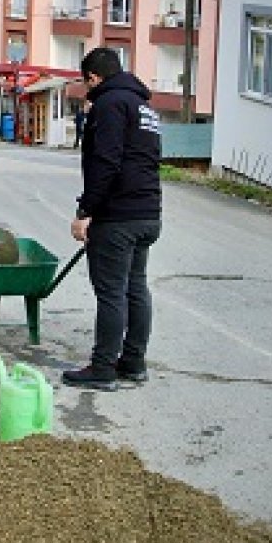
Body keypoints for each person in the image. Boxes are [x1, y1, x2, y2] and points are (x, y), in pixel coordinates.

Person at [62, 46, 162, 390]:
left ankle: (103, 367)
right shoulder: (144, 106)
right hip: (147, 213)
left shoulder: (108, 104)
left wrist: (86, 211)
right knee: (135, 287)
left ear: (93, 77)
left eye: (87, 83)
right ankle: (133, 362)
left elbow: (105, 162)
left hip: (117, 217)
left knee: (111, 293)